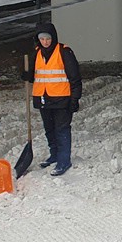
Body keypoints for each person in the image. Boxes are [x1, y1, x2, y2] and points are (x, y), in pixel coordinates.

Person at [21, 23, 82, 176]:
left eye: (48, 38)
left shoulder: (64, 52)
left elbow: (75, 77)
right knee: (49, 129)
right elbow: (35, 73)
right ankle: (54, 155)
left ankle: (63, 160)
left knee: (62, 129)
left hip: (62, 98)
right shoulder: (37, 53)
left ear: (53, 37)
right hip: (43, 98)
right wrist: (27, 75)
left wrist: (74, 99)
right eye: (42, 38)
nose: (45, 42)